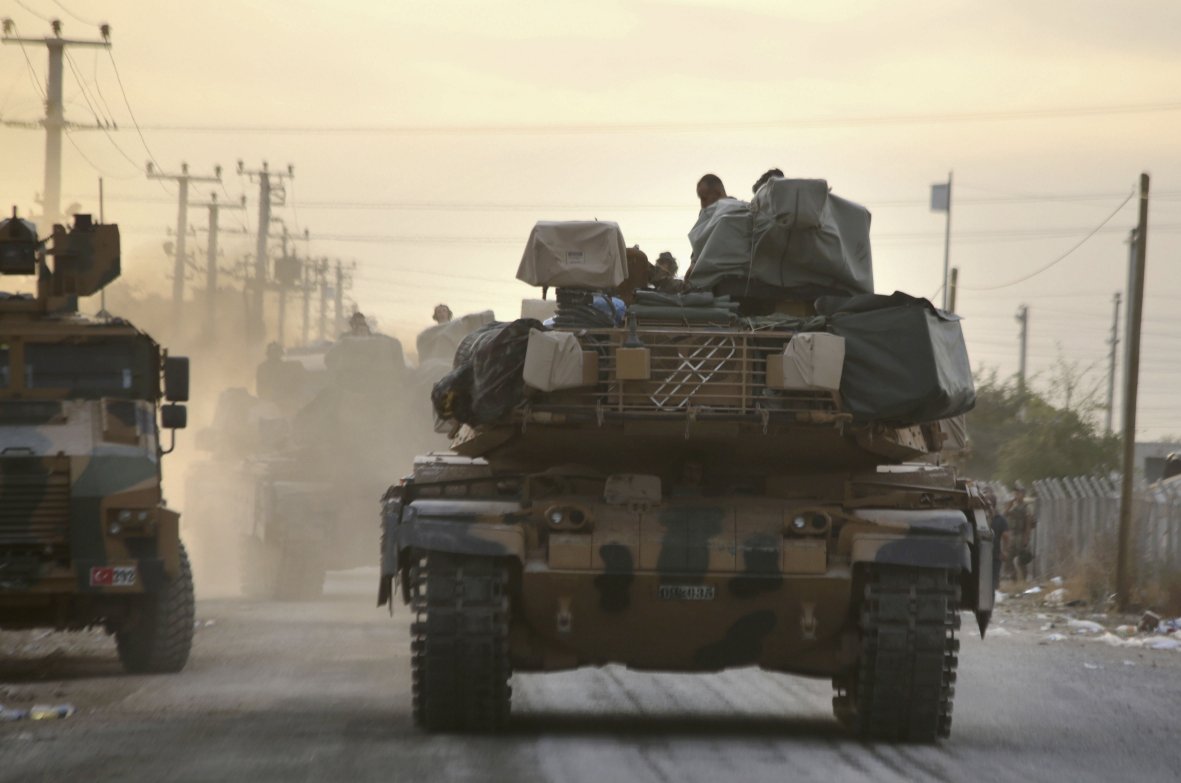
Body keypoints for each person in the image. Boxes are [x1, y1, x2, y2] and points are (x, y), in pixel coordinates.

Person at [1005, 481, 1035, 582]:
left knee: (1021, 559)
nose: (1017, 495)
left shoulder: (1026, 507)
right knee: (1009, 558)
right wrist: (1009, 506)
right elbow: (1005, 515)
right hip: (1012, 534)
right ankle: (1013, 578)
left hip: (1021, 535)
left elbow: (1028, 524)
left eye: (1019, 493)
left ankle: (1024, 579)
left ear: (1023, 494)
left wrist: (1026, 538)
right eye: (1015, 493)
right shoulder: (1012, 505)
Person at [982, 486, 1009, 589]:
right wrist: (1005, 551)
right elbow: (1006, 536)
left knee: (990, 579)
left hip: (989, 553)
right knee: (993, 580)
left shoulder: (982, 517)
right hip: (994, 553)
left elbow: (1006, 536)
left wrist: (1004, 551)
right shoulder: (1000, 518)